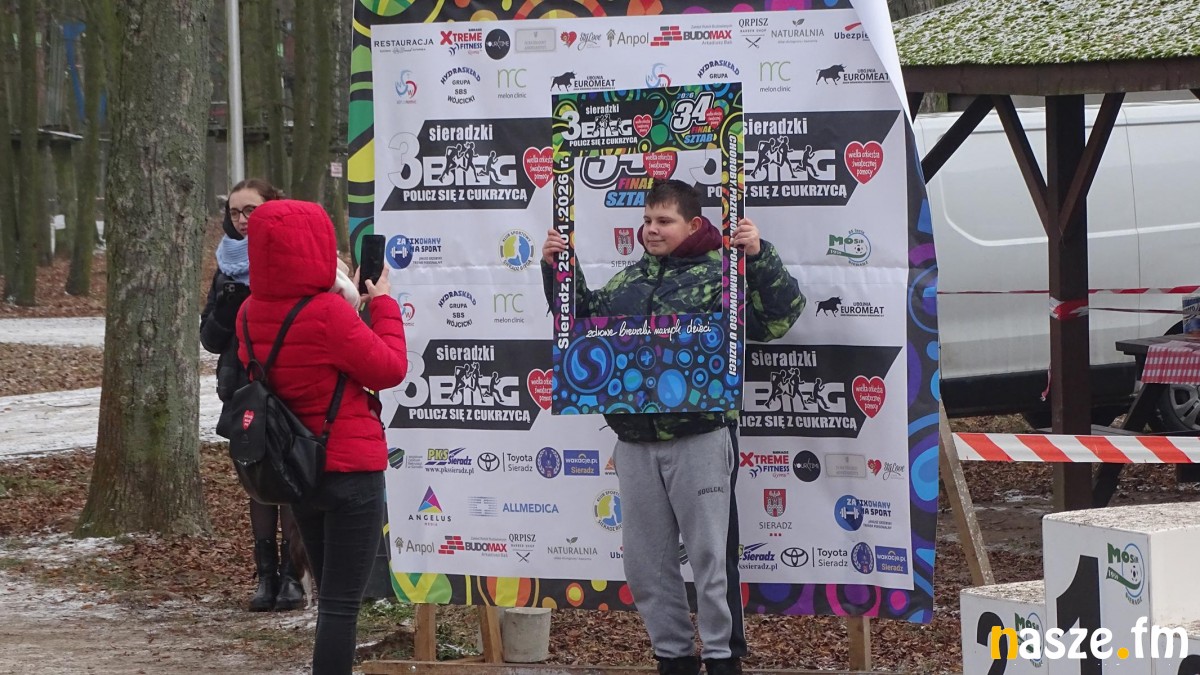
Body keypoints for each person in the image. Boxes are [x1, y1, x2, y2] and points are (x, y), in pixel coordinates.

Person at [540, 180, 805, 675]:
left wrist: (759, 255)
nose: (652, 230)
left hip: (700, 436)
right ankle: (673, 658)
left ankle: (723, 659)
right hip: (635, 442)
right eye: (647, 220)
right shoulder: (627, 282)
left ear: (693, 224)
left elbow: (778, 319)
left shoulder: (724, 275)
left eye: (664, 221)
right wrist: (559, 268)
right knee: (645, 565)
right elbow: (578, 327)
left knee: (710, 559)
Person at [237, 199, 408, 674]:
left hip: (297, 470)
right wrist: (382, 303)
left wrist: (347, 301)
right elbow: (389, 369)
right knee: (340, 605)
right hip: (350, 470)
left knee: (329, 600)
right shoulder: (329, 314)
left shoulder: (249, 313)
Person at [201, 178, 312, 612]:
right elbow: (210, 339)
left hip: (290, 384)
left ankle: (292, 576)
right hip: (244, 389)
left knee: (293, 481)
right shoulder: (226, 266)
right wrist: (229, 307)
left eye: (251, 210)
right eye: (235, 212)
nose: (243, 220)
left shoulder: (295, 255)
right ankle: (265, 576)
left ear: (273, 208)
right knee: (259, 484)